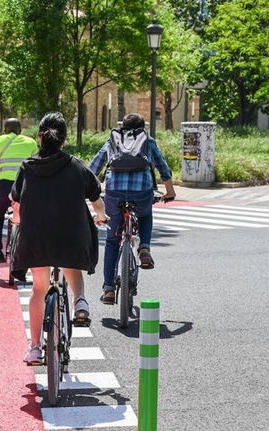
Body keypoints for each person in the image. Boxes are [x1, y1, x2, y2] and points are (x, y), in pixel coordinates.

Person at [10, 112, 108, 364]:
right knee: (70, 263)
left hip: (36, 239)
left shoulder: (28, 166)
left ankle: (34, 348)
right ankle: (81, 302)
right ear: (64, 139)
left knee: (38, 289)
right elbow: (96, 199)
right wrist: (101, 216)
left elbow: (17, 204)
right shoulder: (76, 165)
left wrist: (17, 219)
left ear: (39, 137)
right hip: (70, 237)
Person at [89, 113, 176, 305]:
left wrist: (92, 191)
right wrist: (169, 192)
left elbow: (94, 167)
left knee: (112, 240)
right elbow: (163, 168)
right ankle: (144, 247)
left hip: (114, 192)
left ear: (122, 126)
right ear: (142, 127)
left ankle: (109, 289)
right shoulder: (148, 141)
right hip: (142, 191)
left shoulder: (112, 140)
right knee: (145, 215)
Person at [0, 118, 38, 264]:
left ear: (4, 130)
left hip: (4, 187)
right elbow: (36, 163)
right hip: (25, 188)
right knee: (29, 217)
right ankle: (29, 252)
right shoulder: (31, 142)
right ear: (20, 130)